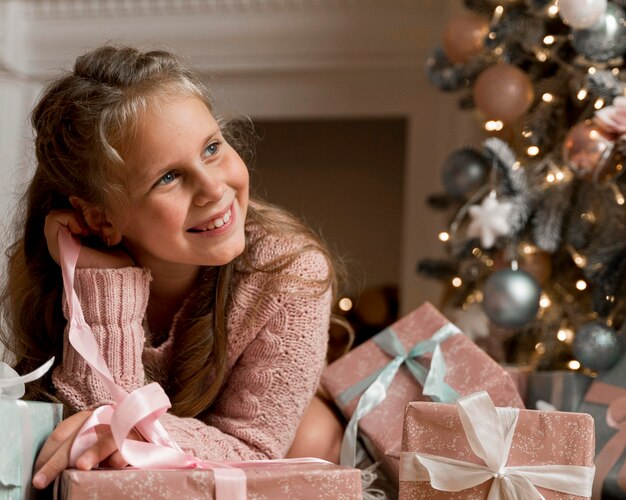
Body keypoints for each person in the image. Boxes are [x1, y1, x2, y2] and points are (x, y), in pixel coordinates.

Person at [0, 45, 346, 490]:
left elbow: (255, 453)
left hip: (263, 448)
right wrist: (104, 286)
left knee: (315, 437)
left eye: (212, 148)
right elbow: (90, 461)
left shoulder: (288, 275)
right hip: (183, 455)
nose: (212, 188)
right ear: (101, 219)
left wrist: (124, 429)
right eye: (168, 177)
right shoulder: (65, 272)